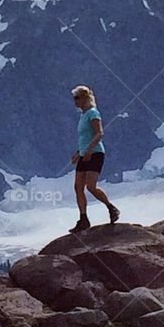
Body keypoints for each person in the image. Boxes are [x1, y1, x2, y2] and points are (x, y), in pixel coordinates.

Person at [68, 85, 119, 233]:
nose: (75, 101)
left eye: (77, 98)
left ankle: (111, 208)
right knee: (78, 187)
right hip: (84, 154)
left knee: (90, 186)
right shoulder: (82, 116)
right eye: (74, 98)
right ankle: (83, 219)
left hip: (95, 153)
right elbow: (84, 137)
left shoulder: (92, 113)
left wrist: (89, 150)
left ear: (85, 98)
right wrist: (79, 153)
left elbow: (99, 133)